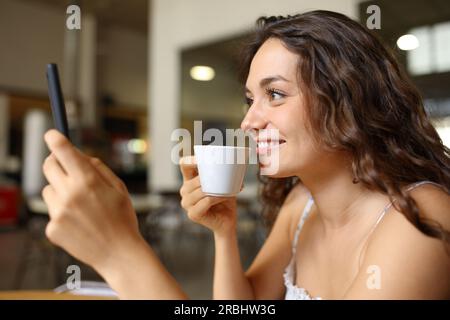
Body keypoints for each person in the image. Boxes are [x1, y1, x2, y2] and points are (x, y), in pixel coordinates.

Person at [42, 10, 450, 300]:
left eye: (275, 94)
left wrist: (119, 253)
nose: (249, 122)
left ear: (348, 98)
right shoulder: (301, 203)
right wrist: (224, 232)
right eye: (251, 99)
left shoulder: (419, 219)